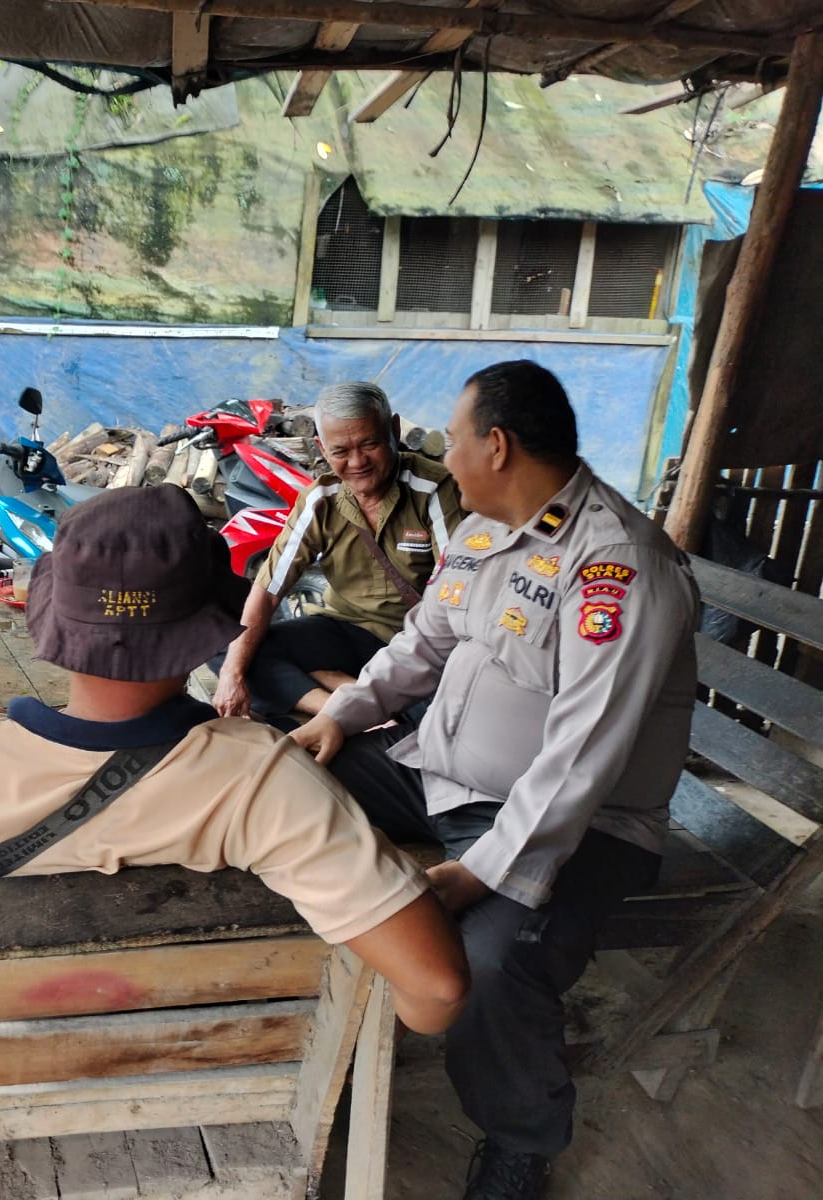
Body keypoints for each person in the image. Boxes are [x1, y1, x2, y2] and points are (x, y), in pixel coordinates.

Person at [292, 361, 698, 1200]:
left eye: (457, 432)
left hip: (578, 827)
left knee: (491, 961)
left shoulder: (616, 567)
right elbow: (421, 644)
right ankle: (290, 1021)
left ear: (498, 445)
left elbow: (584, 758)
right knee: (282, 776)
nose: (447, 450)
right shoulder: (484, 527)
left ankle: (521, 1137)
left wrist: (476, 874)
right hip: (437, 775)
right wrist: (344, 715)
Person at [0, 484, 470, 1035]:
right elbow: (437, 989)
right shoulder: (261, 779)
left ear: (56, 617)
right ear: (204, 626)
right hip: (207, 1048)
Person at [214, 381, 463, 721]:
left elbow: (455, 596)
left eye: (370, 444)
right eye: (340, 452)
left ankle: (350, 695)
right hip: (347, 632)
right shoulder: (320, 500)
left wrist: (402, 666)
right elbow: (269, 591)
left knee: (442, 714)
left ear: (393, 430)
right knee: (231, 651)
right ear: (321, 447)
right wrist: (232, 675)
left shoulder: (434, 489)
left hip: (416, 642)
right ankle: (344, 706)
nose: (357, 462)